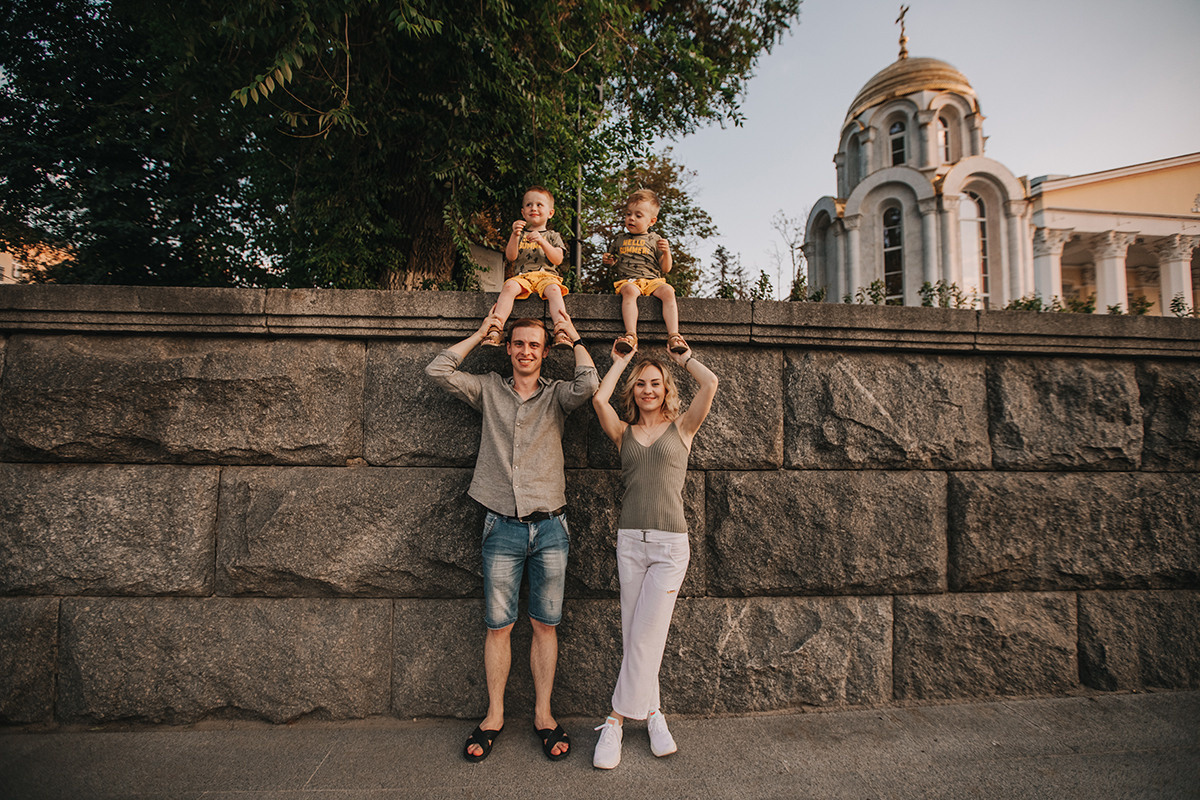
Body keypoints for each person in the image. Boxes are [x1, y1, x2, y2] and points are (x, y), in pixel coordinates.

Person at [425, 311, 598, 763]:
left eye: (534, 346)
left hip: (550, 528)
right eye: (518, 344)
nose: (525, 352)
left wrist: (572, 337)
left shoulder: (557, 396)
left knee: (545, 623)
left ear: (544, 352)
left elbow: (589, 385)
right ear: (509, 348)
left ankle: (543, 715)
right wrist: (484, 332)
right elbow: (438, 370)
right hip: (500, 524)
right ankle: (494, 715)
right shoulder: (487, 389)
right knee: (498, 626)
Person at [589, 338, 718, 769]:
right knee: (636, 636)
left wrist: (684, 360)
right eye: (641, 384)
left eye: (655, 383)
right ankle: (655, 715)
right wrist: (621, 362)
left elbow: (711, 383)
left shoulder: (683, 427)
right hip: (630, 544)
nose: (647, 390)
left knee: (646, 635)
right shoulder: (623, 432)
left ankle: (614, 720)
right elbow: (599, 398)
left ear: (666, 389)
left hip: (669, 548)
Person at [482, 186, 573, 349]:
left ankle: (561, 329)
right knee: (509, 286)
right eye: (529, 205)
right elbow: (511, 256)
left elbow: (558, 259)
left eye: (539, 205)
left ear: (550, 213)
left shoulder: (553, 236)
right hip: (523, 276)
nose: (534, 208)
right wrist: (514, 235)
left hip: (547, 276)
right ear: (523, 212)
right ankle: (496, 327)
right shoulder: (520, 234)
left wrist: (542, 241)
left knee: (554, 290)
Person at [602, 189, 688, 357]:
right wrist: (609, 261)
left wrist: (667, 253)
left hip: (652, 280)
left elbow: (665, 268)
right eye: (628, 214)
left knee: (668, 291)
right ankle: (631, 335)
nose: (631, 218)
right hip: (629, 280)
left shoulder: (655, 240)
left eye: (638, 215)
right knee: (629, 292)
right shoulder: (619, 239)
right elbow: (613, 262)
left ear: (652, 221)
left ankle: (674, 335)